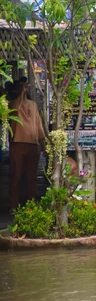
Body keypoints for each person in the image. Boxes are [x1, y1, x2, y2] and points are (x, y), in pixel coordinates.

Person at [7, 78, 45, 211]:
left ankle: (31, 207)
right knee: (16, 176)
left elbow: (38, 126)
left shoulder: (33, 105)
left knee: (31, 178)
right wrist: (21, 94)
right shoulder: (12, 103)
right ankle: (13, 206)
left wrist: (43, 143)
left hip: (33, 144)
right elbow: (16, 109)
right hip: (18, 144)